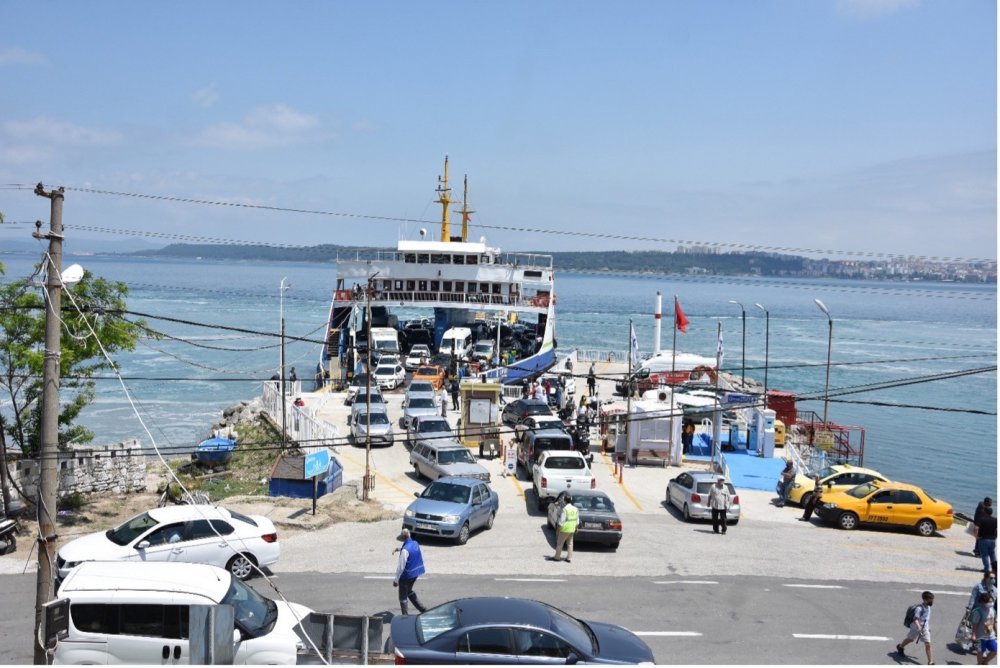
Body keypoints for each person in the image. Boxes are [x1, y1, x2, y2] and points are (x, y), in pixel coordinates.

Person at [393, 529, 427, 616]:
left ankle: (405, 616)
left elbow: (401, 567)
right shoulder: (415, 543)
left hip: (406, 576)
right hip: (415, 573)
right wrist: (398, 549)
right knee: (409, 591)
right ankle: (423, 609)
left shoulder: (405, 550)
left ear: (403, 538)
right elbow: (410, 550)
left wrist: (396, 580)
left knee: (402, 596)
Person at [897, 591, 935, 665]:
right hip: (916, 627)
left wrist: (928, 626)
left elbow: (926, 618)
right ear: (925, 600)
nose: (932, 601)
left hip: (924, 628)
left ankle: (930, 662)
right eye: (931, 600)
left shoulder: (929, 607)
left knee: (928, 643)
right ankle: (900, 647)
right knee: (910, 639)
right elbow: (916, 619)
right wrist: (919, 627)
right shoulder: (919, 609)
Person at [548, 493, 579, 563]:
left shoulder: (565, 509)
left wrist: (558, 529)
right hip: (572, 529)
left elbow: (562, 520)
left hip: (564, 529)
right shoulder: (575, 509)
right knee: (570, 543)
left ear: (565, 501)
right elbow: (577, 520)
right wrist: (576, 528)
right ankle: (569, 558)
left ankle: (557, 557)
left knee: (560, 543)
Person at [969, 591, 997, 665]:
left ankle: (984, 662)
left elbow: (994, 621)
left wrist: (996, 632)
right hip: (980, 636)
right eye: (989, 602)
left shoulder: (992, 610)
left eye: (991, 601)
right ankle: (979, 664)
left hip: (990, 635)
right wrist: (973, 635)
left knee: (995, 651)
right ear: (983, 602)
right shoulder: (978, 612)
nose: (991, 603)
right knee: (981, 651)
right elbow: (974, 624)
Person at [976, 506, 998, 574]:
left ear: (985, 512)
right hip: (992, 539)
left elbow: (976, 528)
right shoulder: (996, 520)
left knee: (984, 554)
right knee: (992, 554)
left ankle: (986, 569)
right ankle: (995, 569)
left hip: (983, 539)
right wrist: (996, 536)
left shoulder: (981, 519)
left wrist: (976, 536)